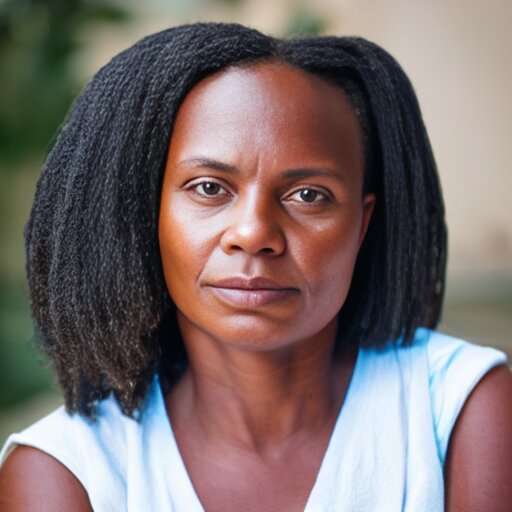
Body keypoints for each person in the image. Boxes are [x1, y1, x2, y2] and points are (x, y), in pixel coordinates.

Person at [0, 22, 510, 511]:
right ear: (144, 213)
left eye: (308, 195)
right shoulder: (68, 473)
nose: (254, 233)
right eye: (208, 188)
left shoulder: (459, 407)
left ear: (361, 222)